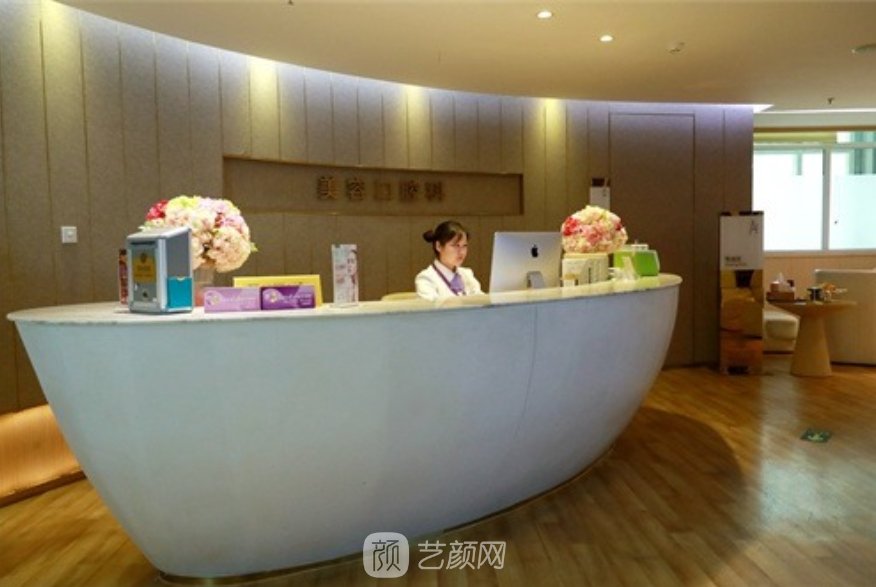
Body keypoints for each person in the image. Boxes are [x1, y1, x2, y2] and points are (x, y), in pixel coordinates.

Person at [415, 220, 483, 300]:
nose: (461, 252)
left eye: (464, 246)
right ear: (438, 246)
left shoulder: (467, 274)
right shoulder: (426, 278)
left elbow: (482, 302)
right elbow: (431, 307)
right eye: (455, 245)